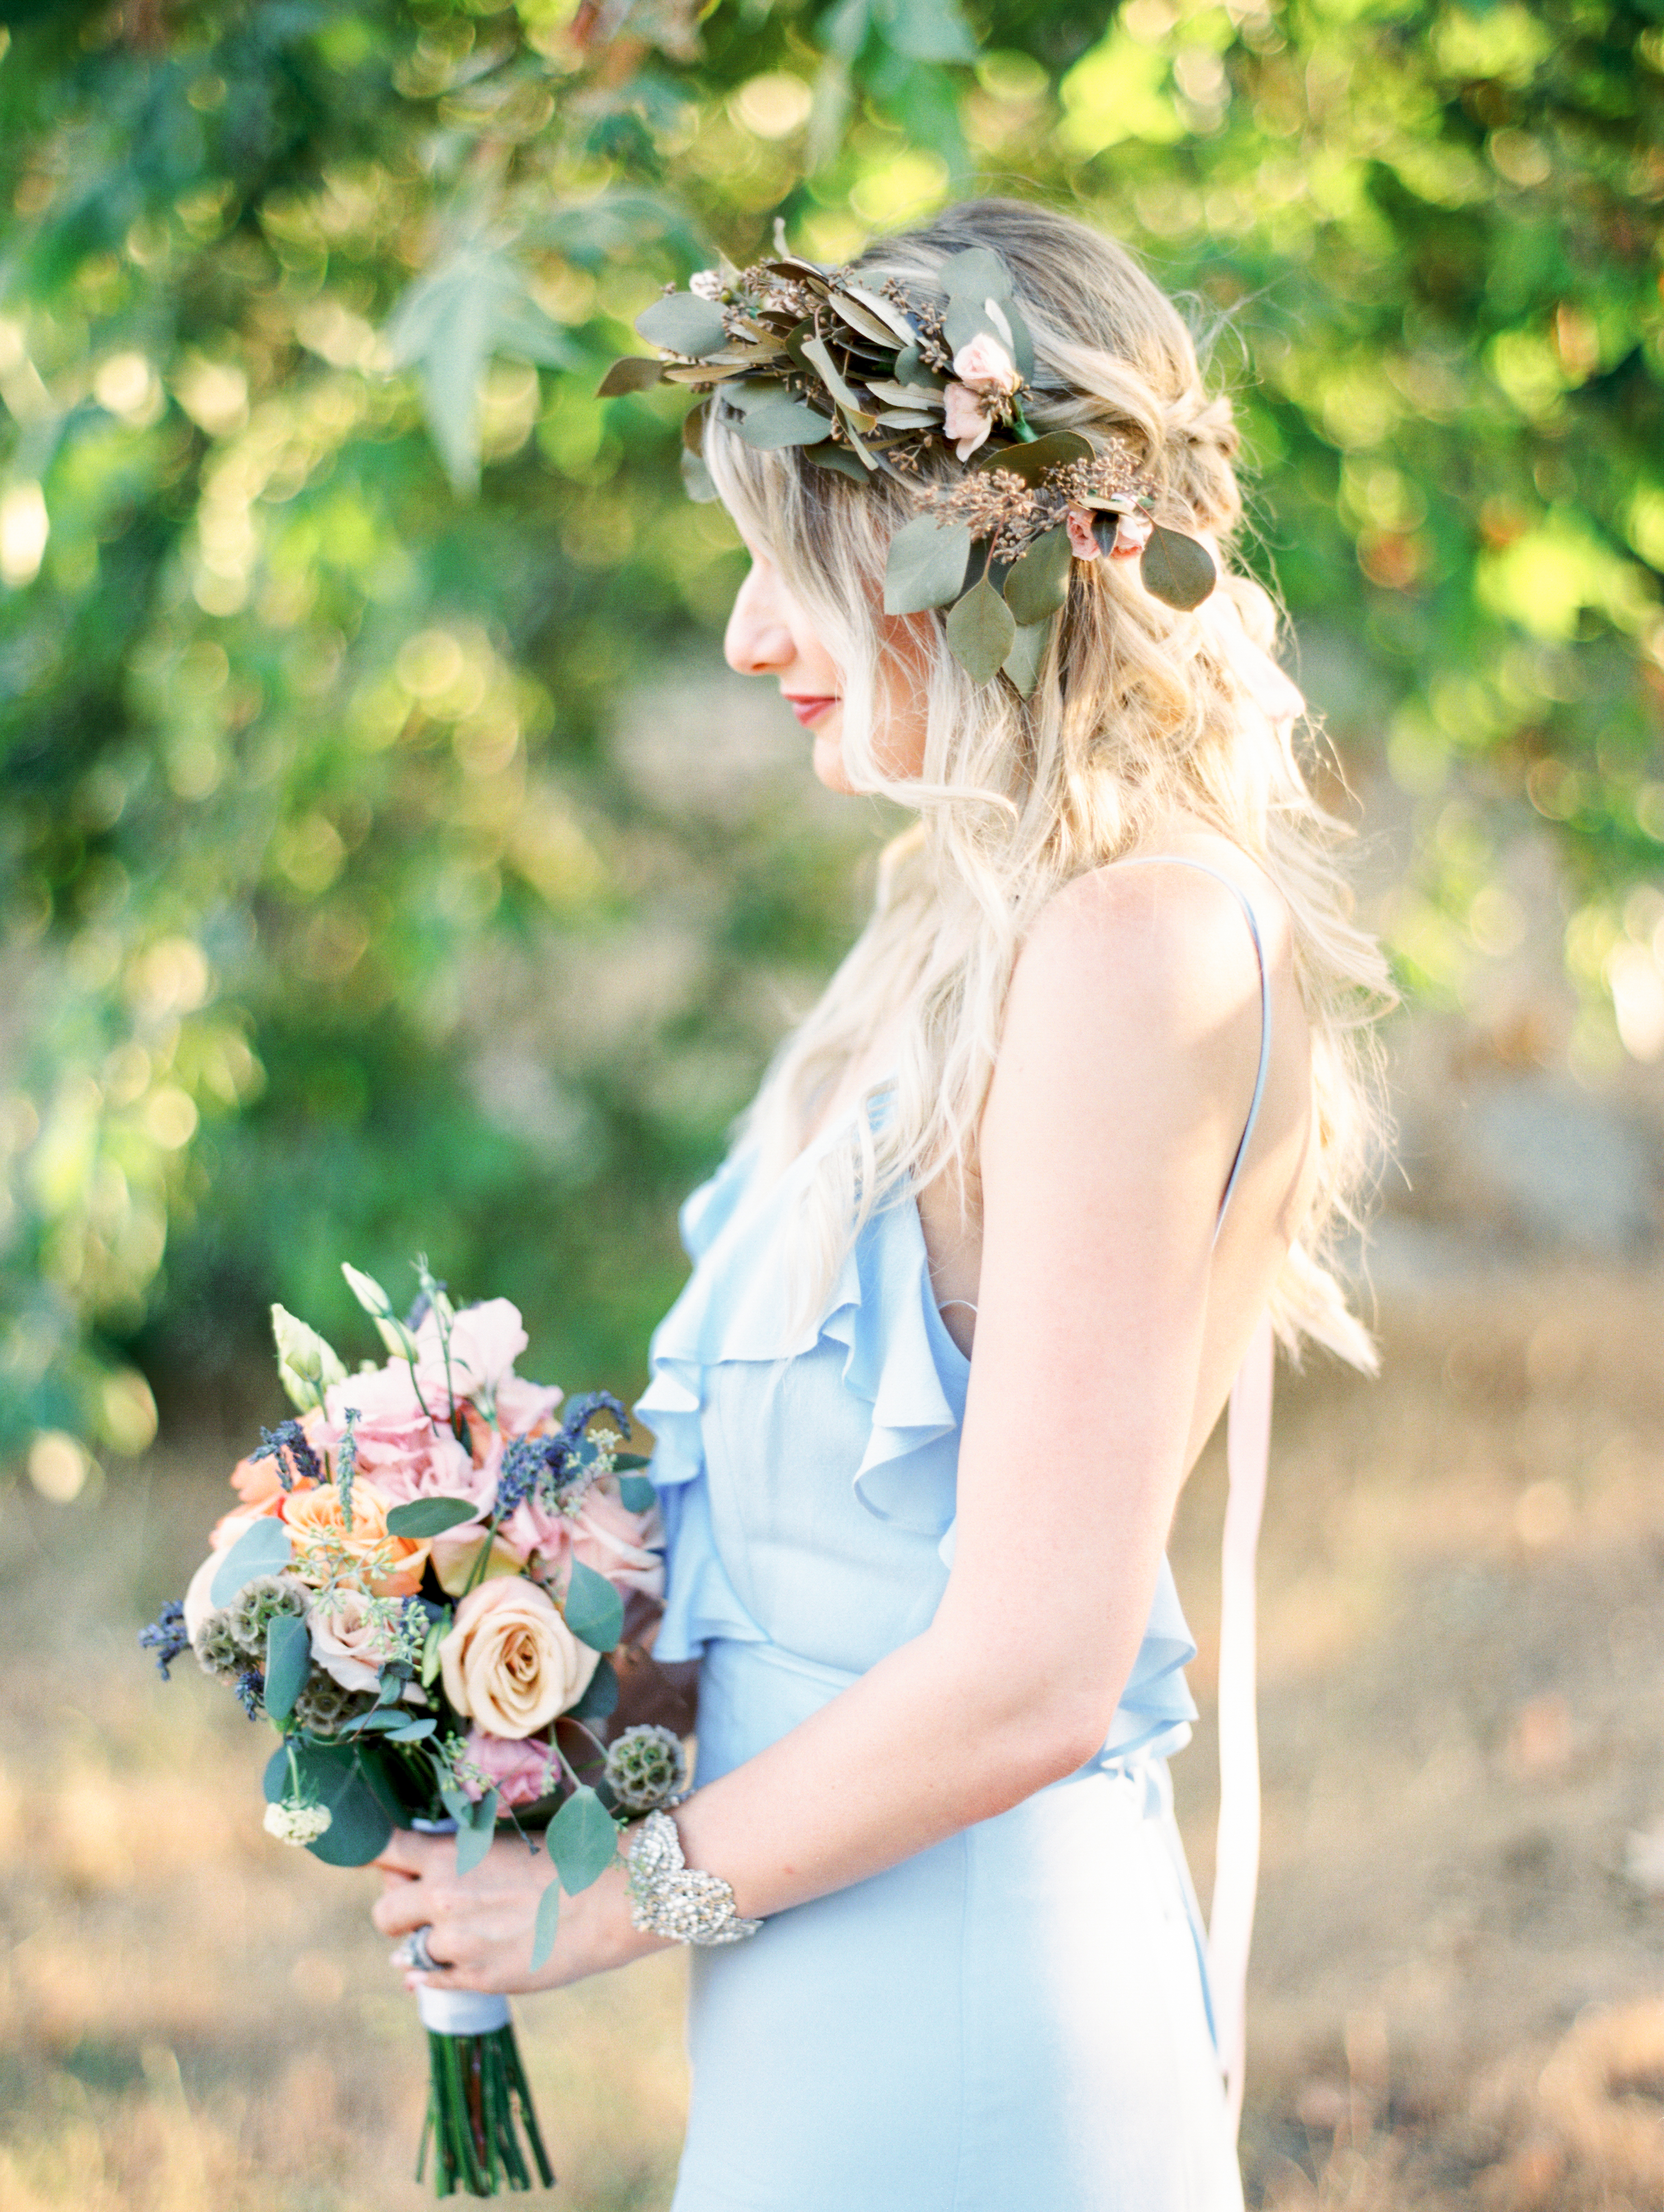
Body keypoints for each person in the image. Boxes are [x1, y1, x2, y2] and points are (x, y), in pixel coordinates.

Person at [371, 197, 1389, 2210]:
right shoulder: (944, 939)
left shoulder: (1141, 949)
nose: (751, 636)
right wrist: (457, 1629)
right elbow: (808, 1545)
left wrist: (591, 1916)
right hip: (815, 2015)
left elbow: (1030, 1667)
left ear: (964, 562)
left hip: (978, 2021)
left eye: (790, 567)